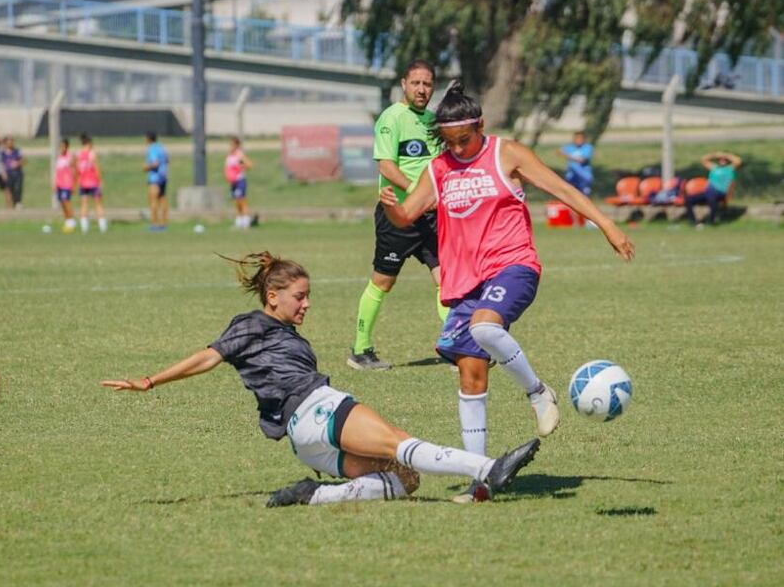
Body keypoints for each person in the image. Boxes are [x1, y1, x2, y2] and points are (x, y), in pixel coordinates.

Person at [101, 251, 540, 507]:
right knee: (400, 442)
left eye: (308, 296)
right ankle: (489, 470)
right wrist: (151, 381)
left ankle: (313, 495)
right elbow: (207, 357)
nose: (306, 304)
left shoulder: (285, 335)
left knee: (405, 478)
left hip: (305, 440)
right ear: (272, 296)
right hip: (319, 407)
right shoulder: (251, 324)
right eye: (299, 296)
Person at [379, 80, 635, 502]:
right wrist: (391, 205)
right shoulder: (438, 168)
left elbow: (564, 190)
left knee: (483, 328)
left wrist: (606, 224)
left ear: (480, 125)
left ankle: (538, 393)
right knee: (470, 372)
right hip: (465, 280)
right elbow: (407, 215)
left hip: (513, 266)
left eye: (464, 139)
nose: (458, 149)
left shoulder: (507, 153)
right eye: (449, 141)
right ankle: (480, 481)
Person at [349, 59, 447, 371]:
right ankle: (360, 351)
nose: (422, 89)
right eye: (416, 83)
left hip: (430, 216)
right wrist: (419, 193)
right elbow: (387, 167)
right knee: (383, 282)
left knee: (446, 279)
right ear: (404, 84)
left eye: (427, 84)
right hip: (400, 215)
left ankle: (454, 348)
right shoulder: (391, 119)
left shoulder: (432, 121)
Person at [684, 151, 741, 227]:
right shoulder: (714, 167)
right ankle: (693, 222)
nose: (723, 160)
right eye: (721, 159)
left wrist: (726, 155)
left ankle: (711, 221)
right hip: (708, 193)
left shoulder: (730, 168)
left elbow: (738, 161)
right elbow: (703, 159)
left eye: (725, 160)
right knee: (688, 199)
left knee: (711, 194)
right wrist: (716, 155)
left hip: (720, 193)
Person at [76, 133, 107, 234]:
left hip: (83, 183)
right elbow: (97, 168)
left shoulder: (79, 154)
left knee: (84, 204)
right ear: (89, 143)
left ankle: (84, 228)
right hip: (93, 183)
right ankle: (103, 228)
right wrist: (100, 180)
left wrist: (77, 181)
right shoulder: (92, 154)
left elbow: (77, 170)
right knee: (98, 204)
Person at [224, 136, 255, 229]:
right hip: (233, 182)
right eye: (230, 144)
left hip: (240, 180)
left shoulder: (239, 155)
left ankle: (246, 222)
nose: (230, 146)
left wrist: (242, 166)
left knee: (242, 201)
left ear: (237, 145)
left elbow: (249, 165)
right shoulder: (229, 156)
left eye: (232, 144)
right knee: (236, 202)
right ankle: (239, 222)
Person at [143, 132, 169, 231]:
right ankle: (164, 224)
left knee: (153, 200)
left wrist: (146, 167)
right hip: (163, 176)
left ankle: (154, 224)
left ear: (148, 139)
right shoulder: (161, 148)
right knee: (163, 200)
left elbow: (155, 163)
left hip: (155, 178)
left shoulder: (152, 148)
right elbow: (167, 159)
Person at [558, 131, 594, 196]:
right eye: (577, 138)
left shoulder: (588, 147)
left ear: (584, 139)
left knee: (584, 195)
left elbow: (582, 160)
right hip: (571, 176)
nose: (578, 140)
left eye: (580, 138)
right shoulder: (570, 147)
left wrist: (567, 155)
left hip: (584, 176)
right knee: (571, 195)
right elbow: (559, 151)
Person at [55, 138, 77, 232]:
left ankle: (71, 222)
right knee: (62, 203)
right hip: (59, 184)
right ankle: (67, 222)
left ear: (67, 146)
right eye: (60, 146)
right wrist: (55, 183)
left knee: (66, 202)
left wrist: (74, 184)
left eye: (63, 146)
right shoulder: (59, 157)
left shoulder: (70, 156)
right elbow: (57, 171)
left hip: (67, 184)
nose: (62, 148)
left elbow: (75, 170)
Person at [1, 136, 26, 210]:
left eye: (11, 142)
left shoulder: (17, 151)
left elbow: (24, 160)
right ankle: (12, 204)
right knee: (10, 189)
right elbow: (2, 163)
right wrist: (3, 173)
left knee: (18, 188)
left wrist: (17, 163)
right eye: (8, 142)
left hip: (17, 173)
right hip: (9, 174)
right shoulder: (3, 153)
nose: (10, 143)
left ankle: (18, 202)